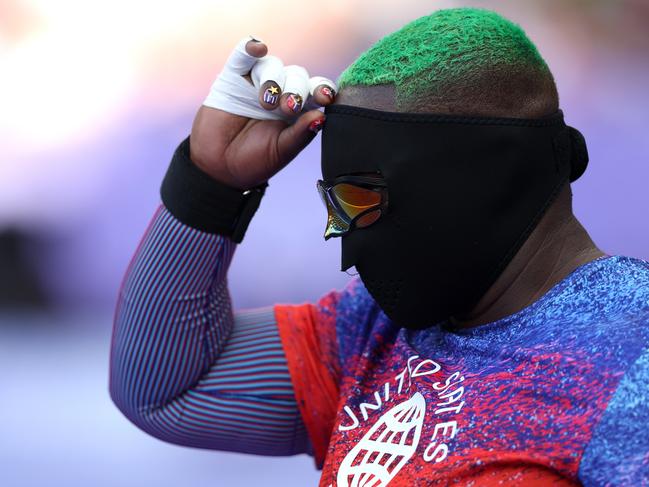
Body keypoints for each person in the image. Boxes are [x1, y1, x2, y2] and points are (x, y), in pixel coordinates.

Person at [109, 8, 649, 486]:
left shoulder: (632, 354)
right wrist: (209, 186)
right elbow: (166, 392)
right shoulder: (373, 327)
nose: (346, 247)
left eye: (361, 200)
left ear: (481, 177)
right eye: (337, 206)